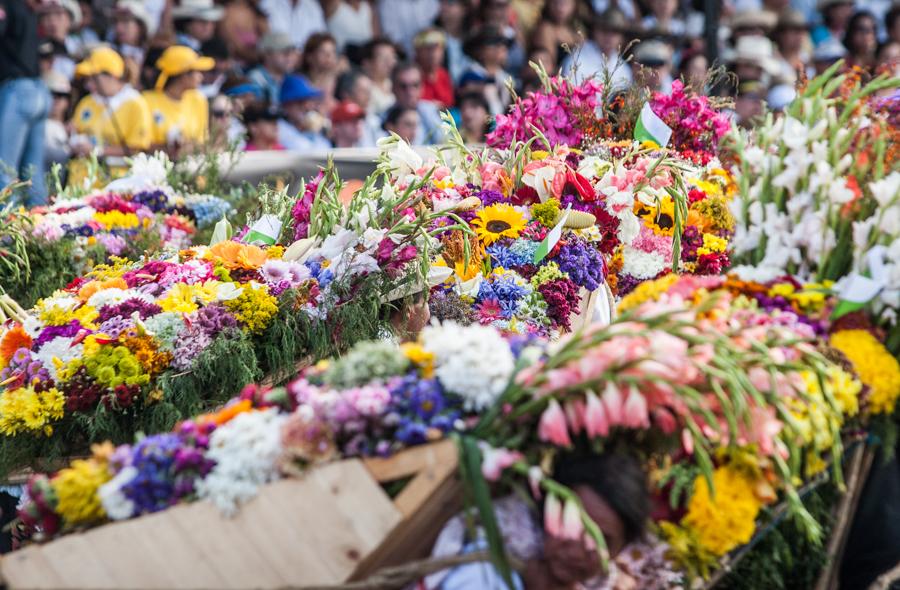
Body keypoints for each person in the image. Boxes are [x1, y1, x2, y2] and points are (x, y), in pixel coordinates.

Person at [425, 453, 678, 590]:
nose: (579, 552)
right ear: (547, 511)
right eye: (575, 526)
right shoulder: (484, 569)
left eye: (603, 541)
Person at [0, 0, 51, 205]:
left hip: (17, 91)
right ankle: (42, 233)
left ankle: (3, 234)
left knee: (4, 169)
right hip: (38, 89)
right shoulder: (23, 5)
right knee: (33, 174)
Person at [72, 46, 152, 158]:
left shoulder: (135, 103)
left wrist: (98, 151)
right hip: (81, 172)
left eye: (93, 78)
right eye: (86, 79)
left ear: (111, 76)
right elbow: (77, 130)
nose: (88, 85)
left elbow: (137, 148)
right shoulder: (87, 101)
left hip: (117, 174)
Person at [143, 45, 214, 154]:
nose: (201, 76)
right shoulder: (146, 101)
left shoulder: (199, 100)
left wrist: (188, 147)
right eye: (196, 71)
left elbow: (202, 142)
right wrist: (170, 149)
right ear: (182, 75)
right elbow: (141, 144)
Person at [561, 9, 633, 90]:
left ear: (622, 37)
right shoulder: (576, 59)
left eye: (615, 31)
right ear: (595, 31)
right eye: (604, 30)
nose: (609, 37)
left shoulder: (624, 69)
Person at [462, 26, 515, 116]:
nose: (501, 47)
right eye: (494, 43)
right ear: (480, 50)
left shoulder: (507, 78)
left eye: (504, 43)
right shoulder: (471, 75)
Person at [391, 62, 446, 145]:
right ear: (393, 88)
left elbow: (444, 142)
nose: (410, 92)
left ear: (422, 88)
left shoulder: (430, 110)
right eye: (403, 86)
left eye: (415, 85)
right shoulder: (382, 119)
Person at [278, 73, 332, 151]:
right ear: (286, 106)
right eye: (300, 102)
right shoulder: (279, 129)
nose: (307, 107)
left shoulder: (313, 131)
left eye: (308, 101)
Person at [248, 32, 300, 107]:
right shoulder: (255, 79)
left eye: (292, 51)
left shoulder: (293, 77)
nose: (290, 57)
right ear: (267, 54)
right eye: (285, 52)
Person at [336, 69, 383, 145]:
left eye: (369, 91)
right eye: (363, 91)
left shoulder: (374, 121)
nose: (368, 96)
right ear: (347, 94)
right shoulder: (337, 119)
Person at [38, 0, 81, 80]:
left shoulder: (79, 46)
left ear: (70, 19)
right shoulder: (35, 48)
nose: (52, 21)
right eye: (46, 15)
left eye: (58, 14)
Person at [260, 0, 328, 51]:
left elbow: (322, 40)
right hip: (275, 63)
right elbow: (264, 43)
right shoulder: (267, 4)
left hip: (308, 64)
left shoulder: (313, 6)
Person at [530, 0, 582, 64]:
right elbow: (550, 65)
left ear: (574, 5)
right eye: (555, 3)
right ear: (548, 4)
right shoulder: (545, 29)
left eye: (565, 3)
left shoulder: (575, 32)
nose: (560, 8)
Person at [414, 28, 454, 109]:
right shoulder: (411, 75)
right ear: (418, 52)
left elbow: (450, 103)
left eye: (437, 48)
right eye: (428, 49)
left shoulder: (444, 74)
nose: (433, 53)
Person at [434, 0, 472, 83]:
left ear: (464, 8)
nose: (444, 7)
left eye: (450, 2)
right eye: (441, 2)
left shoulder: (475, 37)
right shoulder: (433, 38)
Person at [302, 33, 342, 111]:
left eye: (333, 52)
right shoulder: (301, 82)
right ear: (309, 57)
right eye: (322, 51)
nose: (329, 56)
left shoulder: (340, 80)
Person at [360, 37, 398, 116]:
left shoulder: (399, 83)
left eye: (392, 57)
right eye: (383, 58)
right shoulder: (363, 90)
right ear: (367, 63)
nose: (389, 63)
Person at [772, 9, 812, 83]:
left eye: (802, 30)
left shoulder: (808, 58)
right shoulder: (771, 59)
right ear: (781, 34)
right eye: (796, 31)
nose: (799, 36)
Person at [111, 0, 152, 70]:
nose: (118, 28)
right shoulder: (110, 54)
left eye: (125, 21)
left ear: (140, 26)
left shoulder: (153, 56)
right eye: (116, 22)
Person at [43, 70, 71, 169]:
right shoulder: (38, 127)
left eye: (61, 95)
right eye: (52, 94)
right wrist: (71, 147)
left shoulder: (72, 128)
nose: (56, 100)